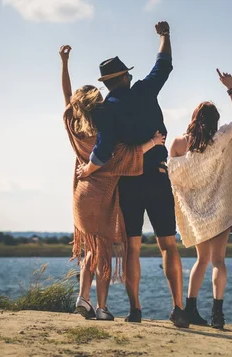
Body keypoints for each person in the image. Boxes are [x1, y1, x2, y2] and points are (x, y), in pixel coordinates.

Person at [76, 21, 189, 328]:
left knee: (133, 247)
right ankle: (179, 309)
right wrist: (165, 36)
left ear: (107, 84)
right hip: (157, 174)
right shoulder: (144, 90)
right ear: (125, 76)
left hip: (129, 183)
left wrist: (87, 169)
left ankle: (136, 311)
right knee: (168, 244)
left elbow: (102, 152)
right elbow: (163, 65)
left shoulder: (106, 109)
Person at [59, 45, 165, 321]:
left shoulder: (73, 126)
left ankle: (83, 298)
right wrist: (153, 142)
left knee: (91, 250)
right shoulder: (103, 135)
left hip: (80, 195)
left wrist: (65, 62)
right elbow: (127, 155)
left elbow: (66, 95)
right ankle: (102, 308)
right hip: (101, 196)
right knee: (102, 252)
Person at [168, 70, 232, 329]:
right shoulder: (221, 138)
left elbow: (175, 178)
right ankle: (217, 315)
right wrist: (231, 88)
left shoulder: (179, 144)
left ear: (194, 118)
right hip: (221, 211)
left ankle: (190, 309)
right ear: (214, 121)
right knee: (218, 262)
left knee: (201, 261)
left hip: (197, 214)